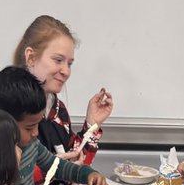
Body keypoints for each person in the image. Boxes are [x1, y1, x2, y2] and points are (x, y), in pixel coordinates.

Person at [0, 67, 108, 185]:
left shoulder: (32, 145)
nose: (36, 132)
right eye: (29, 127)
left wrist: (88, 174)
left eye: (38, 124)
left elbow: (58, 167)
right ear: (3, 123)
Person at [13, 14, 114, 163]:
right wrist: (56, 167)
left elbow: (76, 161)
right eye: (58, 60)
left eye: (69, 63)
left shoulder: (58, 110)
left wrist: (92, 125)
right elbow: (4, 174)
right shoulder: (9, 108)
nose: (66, 71)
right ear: (31, 57)